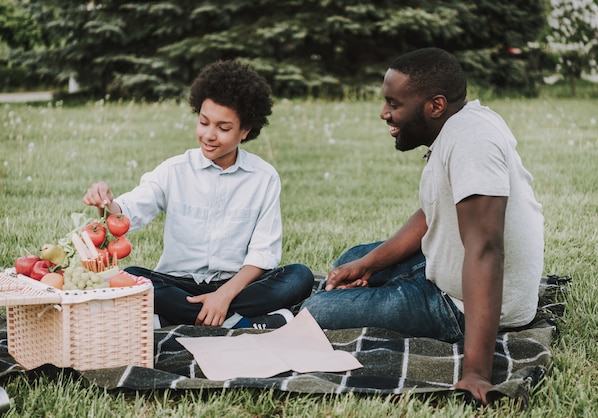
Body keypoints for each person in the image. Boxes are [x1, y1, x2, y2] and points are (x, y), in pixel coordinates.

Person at [301, 47, 544, 405]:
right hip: (450, 268)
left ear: (435, 106)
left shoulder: (470, 141)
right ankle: (392, 275)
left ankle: (412, 289)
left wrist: (476, 371)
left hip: (461, 301)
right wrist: (369, 264)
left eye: (394, 104)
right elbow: (432, 213)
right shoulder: (460, 125)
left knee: (319, 310)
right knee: (354, 258)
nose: (384, 113)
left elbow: (485, 248)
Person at [83, 60, 314, 330]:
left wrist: (223, 296)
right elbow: (130, 212)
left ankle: (178, 317)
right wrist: (107, 202)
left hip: (236, 285)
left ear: (245, 131)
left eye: (223, 128)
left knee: (299, 277)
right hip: (177, 282)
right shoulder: (174, 170)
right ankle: (236, 322)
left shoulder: (264, 178)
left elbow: (263, 254)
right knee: (130, 277)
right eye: (204, 122)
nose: (209, 135)